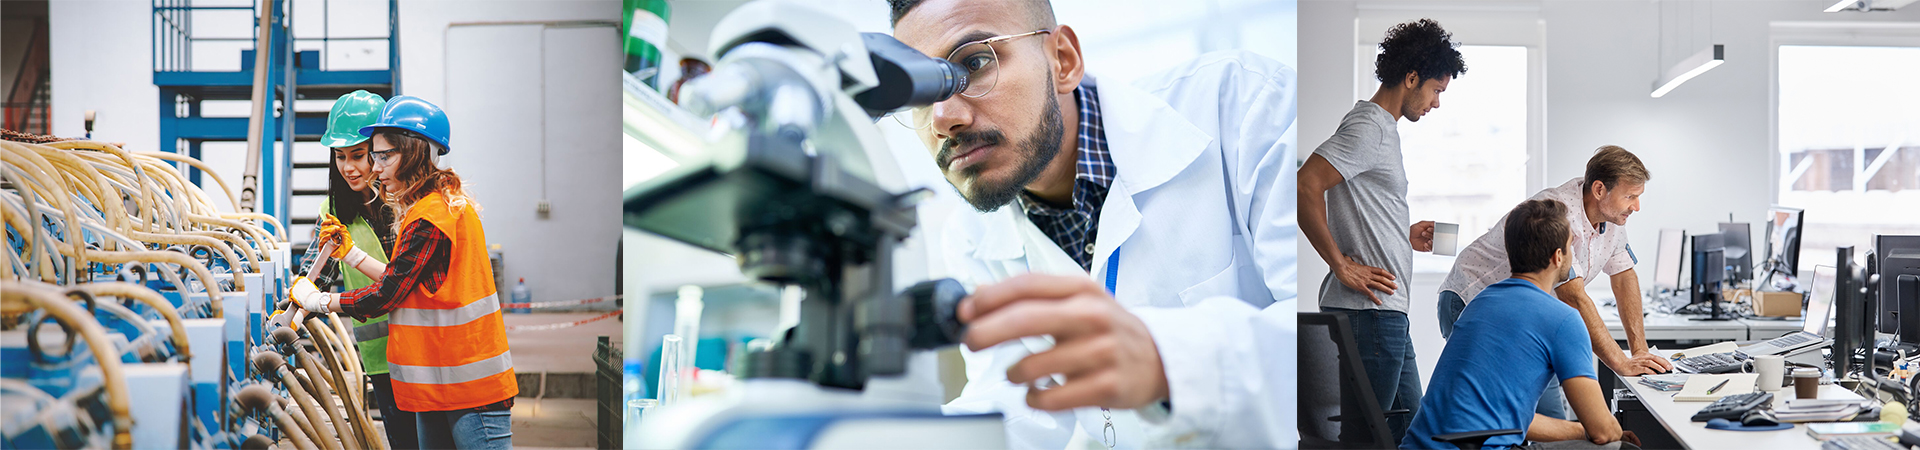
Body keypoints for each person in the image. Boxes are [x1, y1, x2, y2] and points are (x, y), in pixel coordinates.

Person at [888, 0, 1297, 448]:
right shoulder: (971, 239)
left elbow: (1331, 341)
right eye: (920, 95)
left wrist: (1169, 362)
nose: (945, 119)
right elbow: (1020, 410)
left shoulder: (1243, 102)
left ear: (1063, 60)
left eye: (975, 63)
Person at [288, 95, 517, 450]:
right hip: (416, 365)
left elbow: (391, 289)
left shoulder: (423, 213)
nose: (366, 169)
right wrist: (346, 260)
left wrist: (320, 301)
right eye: (341, 157)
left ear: (409, 153)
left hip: (459, 373)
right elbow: (402, 278)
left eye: (373, 156)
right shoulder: (416, 207)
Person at [1298, 18, 1465, 444]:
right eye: (1436, 90)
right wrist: (1340, 265)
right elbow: (1306, 183)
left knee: (1411, 432)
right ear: (1411, 78)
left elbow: (1355, 203)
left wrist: (1400, 235)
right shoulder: (1371, 127)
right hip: (1369, 315)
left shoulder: (1377, 127)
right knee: (1367, 438)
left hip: (1386, 314)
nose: (1437, 103)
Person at [1437, 146, 1672, 420]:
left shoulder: (1613, 219)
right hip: (1473, 299)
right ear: (1599, 190)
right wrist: (1620, 362)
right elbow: (1572, 295)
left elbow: (1624, 276)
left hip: (1526, 313)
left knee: (1548, 414)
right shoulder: (1557, 213)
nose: (1636, 206)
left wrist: (1639, 351)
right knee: (1499, 410)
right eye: (1630, 196)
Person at [1404, 199, 1638, 450]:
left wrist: (1581, 433)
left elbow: (1504, 416)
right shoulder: (1562, 319)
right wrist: (1609, 431)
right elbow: (1602, 431)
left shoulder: (1479, 303)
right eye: (1571, 246)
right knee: (1624, 449)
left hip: (1420, 445)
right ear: (1558, 257)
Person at [301, 89, 418, 449]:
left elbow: (404, 282)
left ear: (383, 151)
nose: (349, 167)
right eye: (340, 157)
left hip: (423, 349)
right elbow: (314, 272)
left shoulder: (410, 203)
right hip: (380, 357)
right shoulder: (333, 211)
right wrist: (290, 304)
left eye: (359, 155)